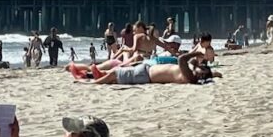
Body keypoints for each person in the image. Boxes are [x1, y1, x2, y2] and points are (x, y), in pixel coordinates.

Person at [79, 51, 218, 85]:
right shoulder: (192, 72)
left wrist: (196, 53)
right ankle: (91, 75)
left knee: (115, 74)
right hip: (146, 72)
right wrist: (214, 73)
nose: (200, 69)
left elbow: (183, 59)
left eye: (202, 70)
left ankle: (93, 82)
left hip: (145, 75)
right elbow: (193, 63)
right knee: (116, 76)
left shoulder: (190, 77)